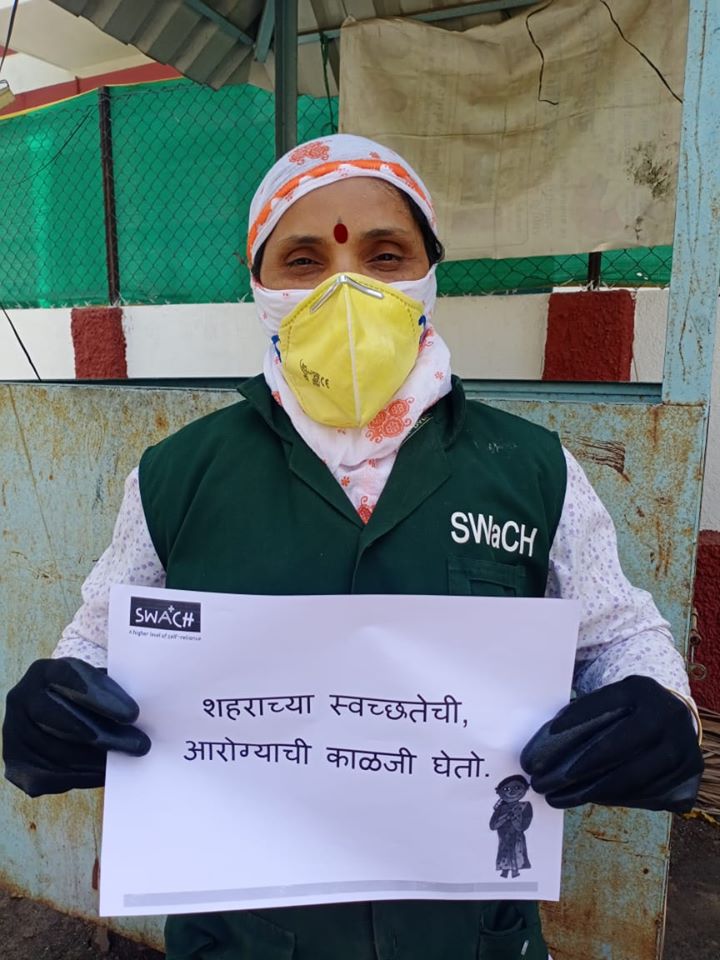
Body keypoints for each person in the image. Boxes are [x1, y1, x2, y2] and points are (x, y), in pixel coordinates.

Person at [3, 134, 703, 960]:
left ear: (430, 273)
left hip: (467, 937)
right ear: (259, 285)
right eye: (304, 260)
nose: (346, 288)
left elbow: (617, 634)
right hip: (245, 940)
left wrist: (659, 708)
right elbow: (97, 647)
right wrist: (53, 709)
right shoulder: (176, 476)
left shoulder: (532, 470)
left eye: (385, 254)